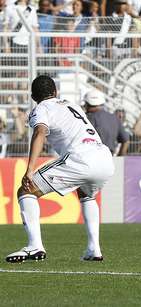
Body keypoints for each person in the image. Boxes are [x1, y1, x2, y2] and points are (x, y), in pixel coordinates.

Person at [5, 75, 114, 263]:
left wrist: (29, 169)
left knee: (26, 190)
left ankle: (34, 246)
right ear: (55, 92)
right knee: (87, 195)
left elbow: (40, 132)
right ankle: (94, 248)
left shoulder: (41, 108)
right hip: (104, 156)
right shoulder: (72, 105)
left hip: (81, 158)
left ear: (33, 97)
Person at [84, 90, 129, 156]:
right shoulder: (114, 118)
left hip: (91, 158)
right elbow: (125, 141)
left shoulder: (87, 119)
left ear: (87, 104)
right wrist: (120, 158)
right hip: (109, 158)